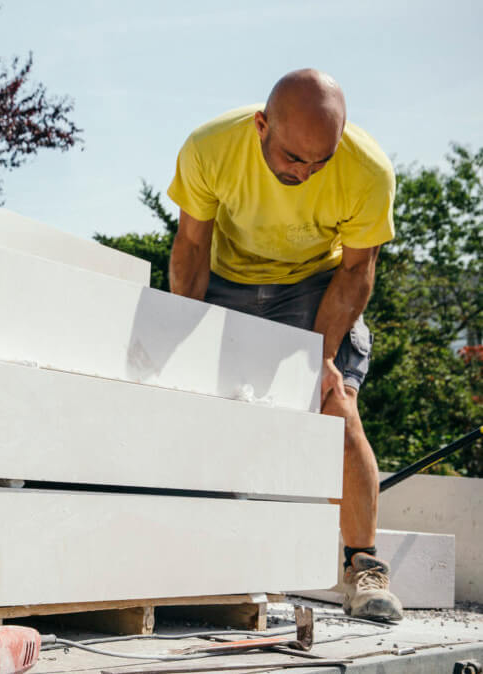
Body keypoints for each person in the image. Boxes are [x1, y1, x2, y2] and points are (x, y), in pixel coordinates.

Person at [166, 69, 402, 621]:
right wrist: (180, 335)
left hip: (315, 288)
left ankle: (363, 567)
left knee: (336, 410)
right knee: (192, 408)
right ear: (261, 125)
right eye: (294, 159)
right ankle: (180, 555)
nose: (306, 172)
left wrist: (320, 355)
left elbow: (357, 271)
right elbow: (191, 247)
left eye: (320, 162)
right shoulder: (210, 148)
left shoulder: (368, 171)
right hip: (226, 280)